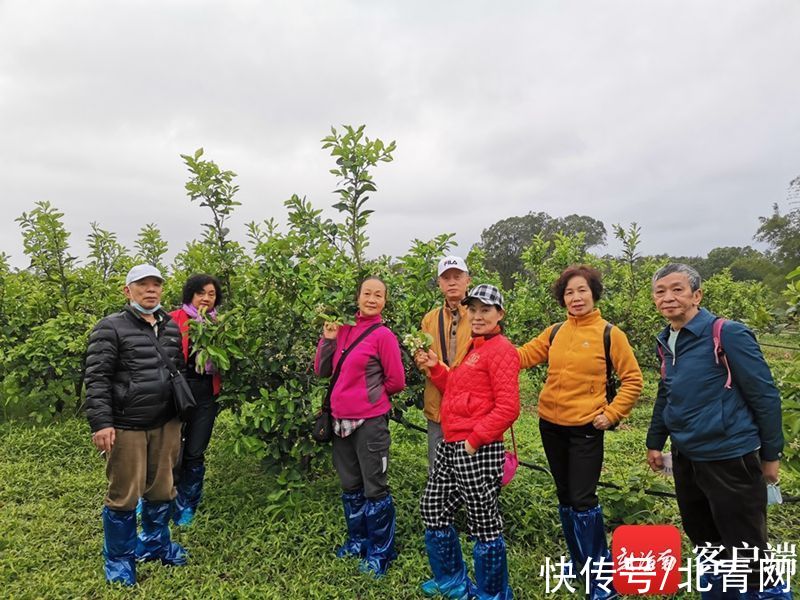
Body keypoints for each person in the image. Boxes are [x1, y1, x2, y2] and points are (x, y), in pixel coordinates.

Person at [646, 263, 791, 600]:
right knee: (704, 537)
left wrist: (770, 455)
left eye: (677, 289)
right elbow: (666, 392)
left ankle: (767, 595)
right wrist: (655, 441)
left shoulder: (727, 334)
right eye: (660, 291)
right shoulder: (667, 340)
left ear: (697, 295)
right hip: (686, 455)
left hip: (729, 455)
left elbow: (764, 395)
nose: (668, 297)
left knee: (746, 549)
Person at [517, 265, 643, 600]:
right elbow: (525, 355)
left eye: (582, 291)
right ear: (563, 298)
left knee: (584, 499)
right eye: (569, 292)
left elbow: (633, 379)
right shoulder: (555, 331)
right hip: (550, 425)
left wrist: (613, 414)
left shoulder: (609, 334)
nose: (576, 297)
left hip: (586, 428)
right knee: (565, 496)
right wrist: (489, 351)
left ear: (593, 293)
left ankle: (602, 580)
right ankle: (579, 562)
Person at [85, 264, 187, 586]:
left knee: (162, 488)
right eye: (142, 284)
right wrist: (102, 422)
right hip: (127, 425)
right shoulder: (110, 328)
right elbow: (97, 378)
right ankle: (119, 562)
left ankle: (156, 545)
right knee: (125, 494)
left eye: (156, 284)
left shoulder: (170, 327)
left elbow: (177, 370)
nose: (150, 289)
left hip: (166, 423)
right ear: (128, 291)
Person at [416, 284, 520, 600]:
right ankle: (451, 582)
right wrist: (435, 366)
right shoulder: (474, 347)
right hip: (452, 443)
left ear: (499, 314)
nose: (476, 316)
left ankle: (492, 593)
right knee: (433, 507)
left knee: (483, 522)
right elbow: (457, 388)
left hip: (476, 447)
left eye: (485, 310)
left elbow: (508, 407)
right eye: (472, 309)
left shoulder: (501, 349)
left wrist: (474, 442)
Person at [313, 276, 406, 577]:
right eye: (367, 293)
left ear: (384, 301)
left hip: (369, 423)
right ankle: (358, 541)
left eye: (378, 295)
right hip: (340, 420)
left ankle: (381, 553)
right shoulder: (342, 330)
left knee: (374, 487)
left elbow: (397, 381)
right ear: (357, 298)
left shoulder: (384, 336)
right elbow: (322, 370)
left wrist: (370, 399)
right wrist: (327, 339)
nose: (372, 298)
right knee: (350, 485)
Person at [170, 274, 224, 526]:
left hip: (205, 393)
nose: (206, 298)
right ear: (190, 294)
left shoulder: (219, 325)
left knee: (194, 450)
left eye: (211, 294)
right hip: (176, 391)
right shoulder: (173, 320)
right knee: (167, 449)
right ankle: (155, 499)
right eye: (201, 292)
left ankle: (187, 504)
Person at [419, 255, 473, 470]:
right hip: (438, 404)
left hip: (470, 406)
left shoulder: (479, 314)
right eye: (446, 278)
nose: (452, 282)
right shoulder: (429, 319)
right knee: (438, 467)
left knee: (470, 467)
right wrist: (426, 362)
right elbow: (421, 356)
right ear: (440, 284)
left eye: (457, 277)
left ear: (467, 280)